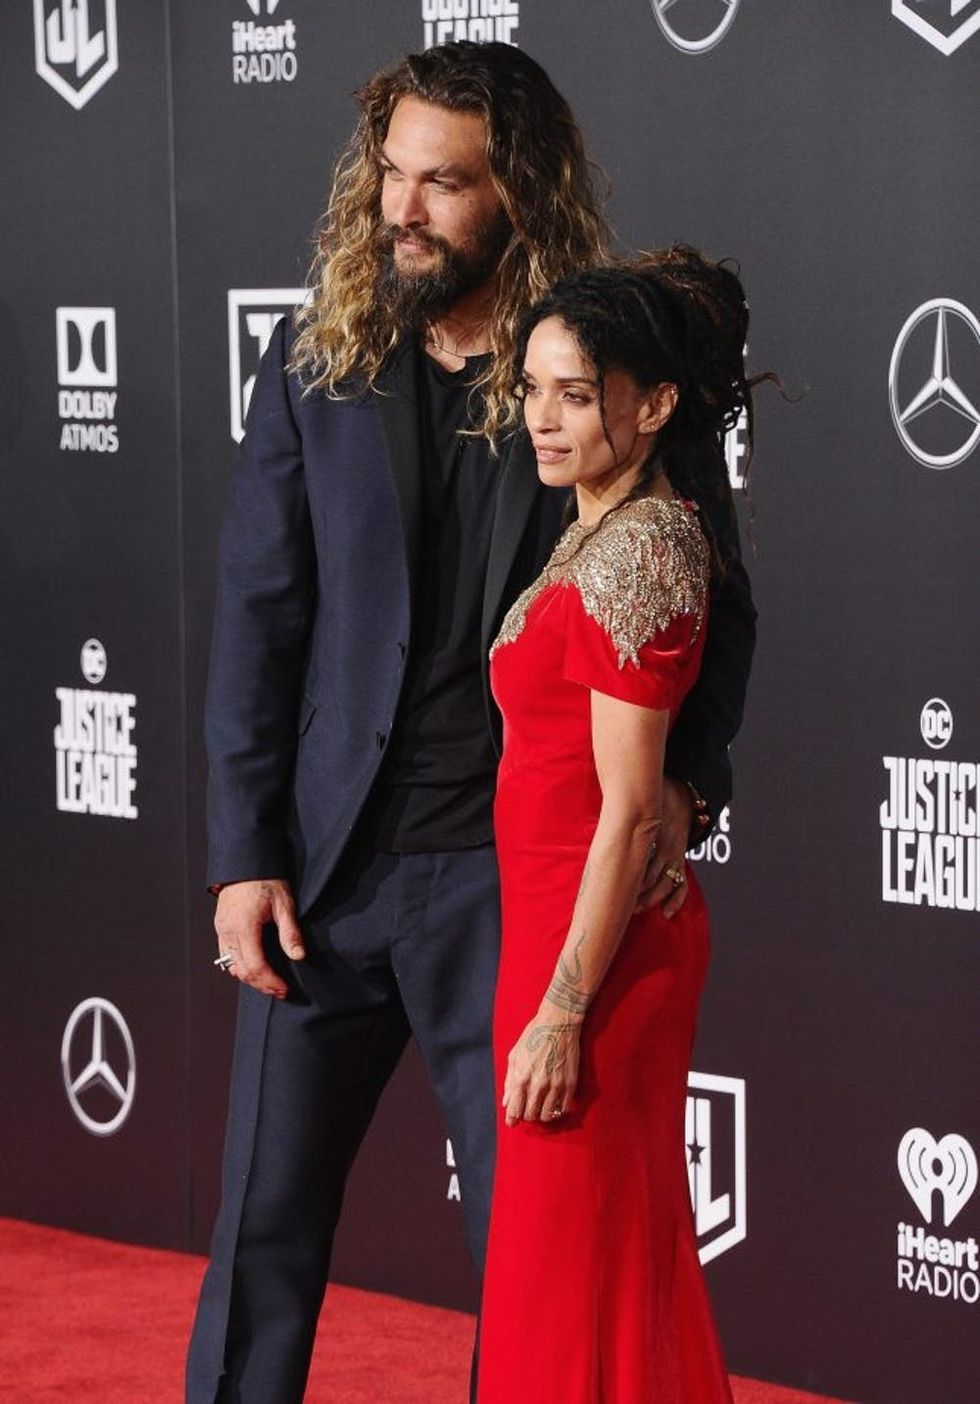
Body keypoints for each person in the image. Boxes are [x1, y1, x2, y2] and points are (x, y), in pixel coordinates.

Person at [186, 39, 756, 1404]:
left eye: (444, 186)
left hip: (507, 886)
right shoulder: (317, 355)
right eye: (391, 177)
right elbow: (259, 611)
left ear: (516, 193)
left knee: (528, 1255)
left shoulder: (586, 368)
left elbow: (710, 583)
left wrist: (693, 781)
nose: (405, 210)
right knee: (260, 1236)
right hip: (325, 872)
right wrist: (238, 853)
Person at [477, 249, 752, 1402]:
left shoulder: (643, 545)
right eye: (532, 389)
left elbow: (631, 805)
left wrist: (563, 1010)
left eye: (575, 394)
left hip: (593, 963)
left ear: (651, 406)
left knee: (585, 1265)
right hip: (551, 930)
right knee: (577, 1267)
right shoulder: (590, 527)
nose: (541, 419)